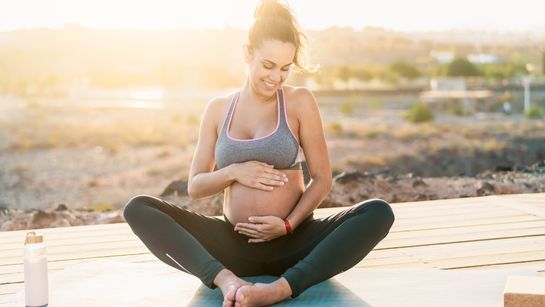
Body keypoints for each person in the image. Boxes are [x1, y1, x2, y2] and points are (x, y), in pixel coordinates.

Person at [123, 1, 395, 306]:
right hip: (230, 244)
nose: (276, 77)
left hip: (294, 241)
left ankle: (280, 288)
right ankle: (226, 280)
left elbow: (322, 179)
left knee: (378, 212)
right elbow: (195, 187)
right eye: (268, 65)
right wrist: (232, 172)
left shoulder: (299, 102)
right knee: (138, 208)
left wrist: (288, 224)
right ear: (247, 54)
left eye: (285, 69)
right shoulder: (217, 110)